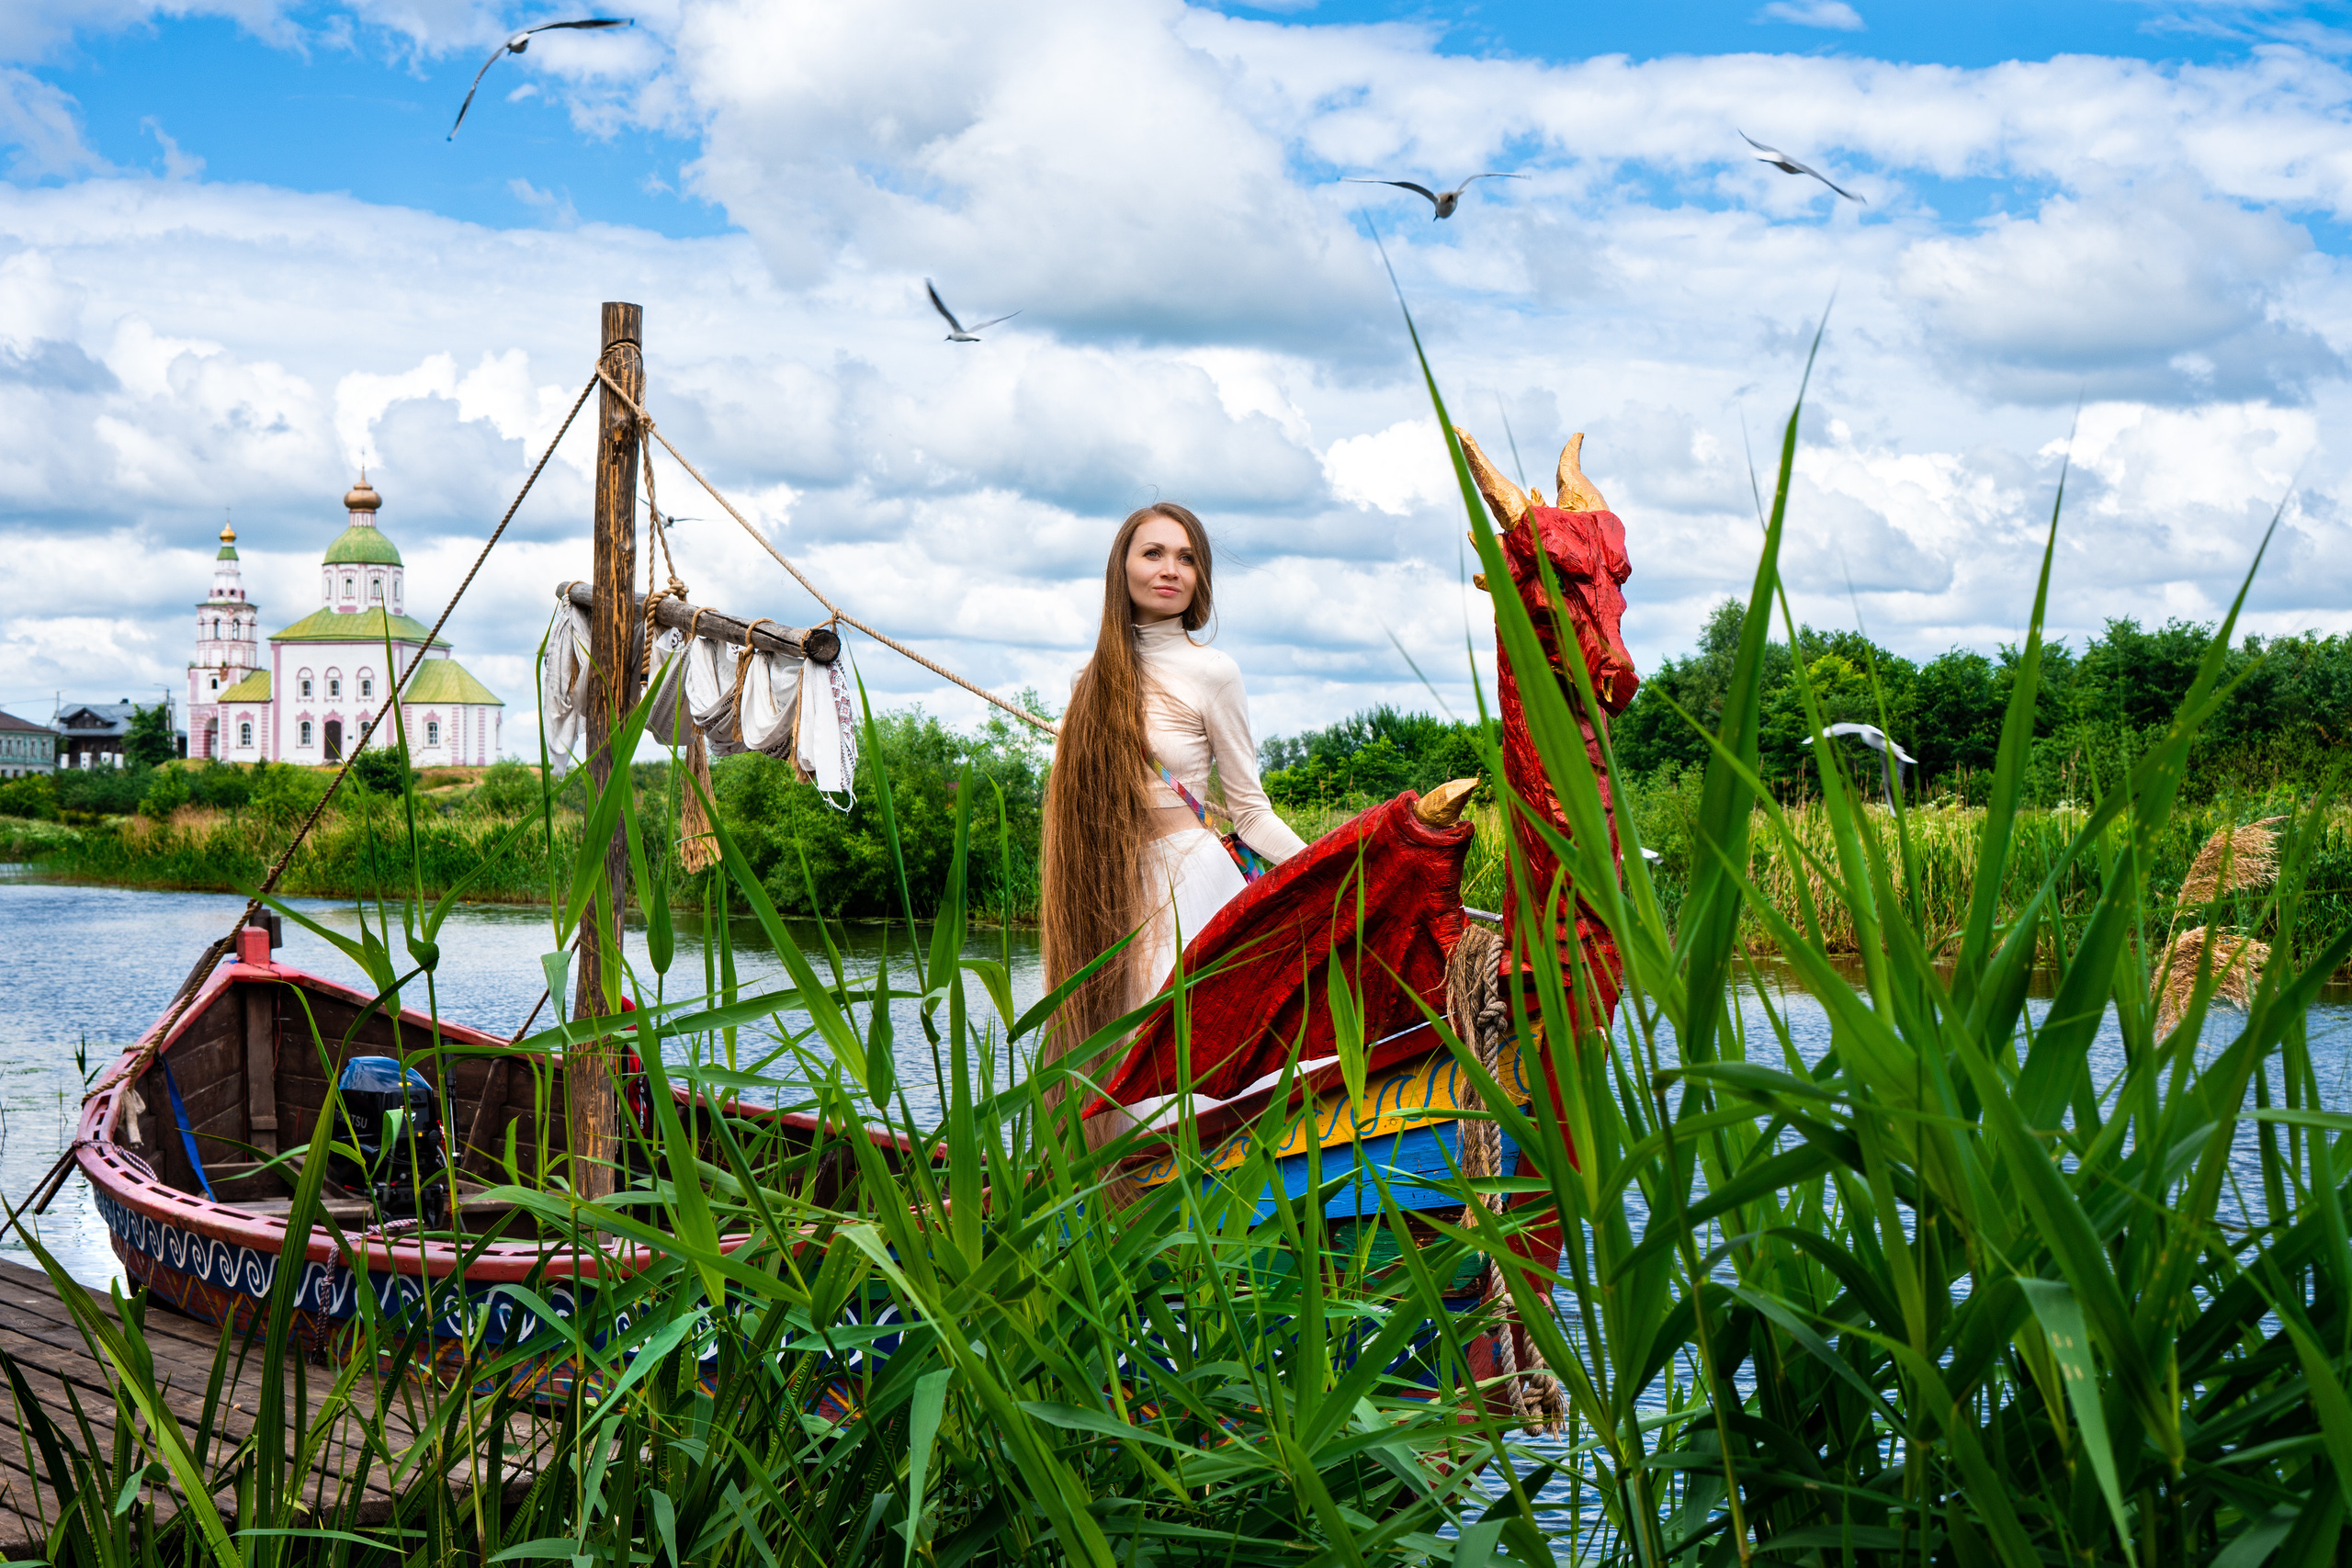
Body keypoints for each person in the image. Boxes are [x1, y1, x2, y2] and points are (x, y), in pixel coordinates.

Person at [1039, 502, 1306, 1099]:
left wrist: (1332, 865)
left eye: (1187, 557)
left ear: (1201, 576)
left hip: (1187, 884)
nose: (1171, 569)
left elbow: (1250, 813)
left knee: (1181, 1061)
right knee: (1106, 1063)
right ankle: (1112, 1184)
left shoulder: (1213, 671)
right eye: (1153, 553)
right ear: (1122, 568)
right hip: (1108, 893)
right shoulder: (1089, 680)